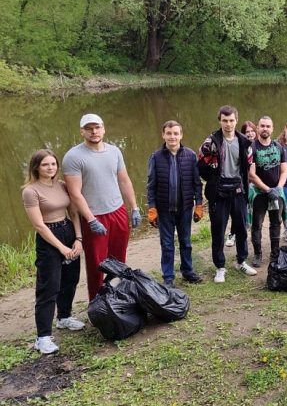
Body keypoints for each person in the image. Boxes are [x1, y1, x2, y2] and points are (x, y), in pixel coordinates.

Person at [62, 113, 141, 300]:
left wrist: (135, 208)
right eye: (89, 129)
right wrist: (90, 219)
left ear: (103, 129)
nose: (94, 132)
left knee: (118, 259)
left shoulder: (114, 151)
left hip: (118, 211)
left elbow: (124, 181)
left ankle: (118, 297)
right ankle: (98, 302)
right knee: (97, 264)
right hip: (94, 216)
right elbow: (75, 193)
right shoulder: (73, 157)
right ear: (82, 131)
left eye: (97, 127)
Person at [22, 150, 84, 354]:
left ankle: (64, 317)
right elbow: (39, 225)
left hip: (68, 230)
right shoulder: (31, 191)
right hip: (49, 238)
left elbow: (73, 212)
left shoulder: (62, 185)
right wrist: (61, 247)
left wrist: (78, 238)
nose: (50, 168)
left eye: (53, 164)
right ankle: (43, 337)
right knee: (49, 287)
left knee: (70, 279)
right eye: (45, 165)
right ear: (36, 167)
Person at [198, 105, 257, 282]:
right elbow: (201, 166)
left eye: (231, 120)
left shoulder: (244, 142)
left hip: (238, 191)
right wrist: (213, 181)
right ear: (220, 121)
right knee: (218, 231)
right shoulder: (211, 142)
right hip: (219, 193)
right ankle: (220, 267)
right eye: (225, 120)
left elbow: (248, 166)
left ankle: (241, 261)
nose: (228, 124)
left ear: (236, 121)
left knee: (241, 228)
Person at [146, 120, 204, 287]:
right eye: (169, 133)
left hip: (185, 208)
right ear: (163, 135)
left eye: (176, 133)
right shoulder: (156, 157)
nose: (172, 137)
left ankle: (188, 271)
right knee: (167, 244)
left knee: (186, 242)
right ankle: (168, 277)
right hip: (164, 209)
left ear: (181, 135)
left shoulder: (190, 156)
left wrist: (199, 204)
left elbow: (197, 183)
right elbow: (151, 185)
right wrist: (152, 207)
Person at [248, 116, 287, 267]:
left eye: (268, 126)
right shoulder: (252, 148)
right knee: (257, 224)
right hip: (259, 193)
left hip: (276, 192)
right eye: (262, 126)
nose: (265, 128)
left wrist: (279, 188)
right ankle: (258, 254)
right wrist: (267, 189)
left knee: (276, 222)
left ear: (272, 129)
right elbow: (251, 175)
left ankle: (275, 253)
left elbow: (284, 171)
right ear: (258, 128)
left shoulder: (279, 147)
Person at [226, 121, 257, 248]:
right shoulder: (241, 144)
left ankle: (251, 234)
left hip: (256, 182)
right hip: (243, 183)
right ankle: (232, 234)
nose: (250, 134)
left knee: (251, 212)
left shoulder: (259, 145)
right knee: (238, 212)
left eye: (252, 131)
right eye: (247, 131)